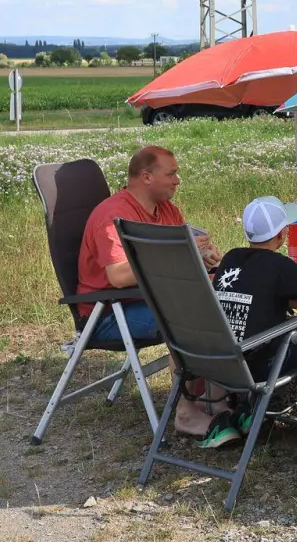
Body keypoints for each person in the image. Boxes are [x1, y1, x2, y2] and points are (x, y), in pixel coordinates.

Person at [77, 145, 223, 435]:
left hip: (152, 300)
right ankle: (185, 410)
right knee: (189, 315)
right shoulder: (113, 216)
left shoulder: (166, 209)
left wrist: (202, 255)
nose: (177, 180)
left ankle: (216, 398)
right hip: (109, 312)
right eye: (171, 174)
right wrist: (179, 252)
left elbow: (180, 253)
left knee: (223, 298)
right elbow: (118, 276)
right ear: (145, 177)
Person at [201, 196, 297, 449]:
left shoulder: (231, 258)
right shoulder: (278, 264)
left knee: (296, 328)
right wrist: (290, 300)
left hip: (221, 361)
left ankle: (253, 409)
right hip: (261, 364)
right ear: (283, 234)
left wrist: (279, 299)